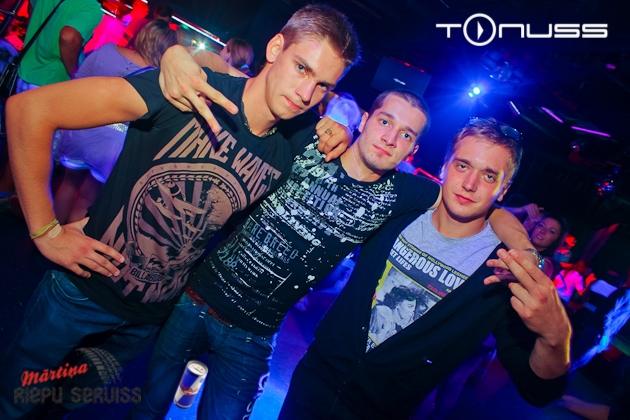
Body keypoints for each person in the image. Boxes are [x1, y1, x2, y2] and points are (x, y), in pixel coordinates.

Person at [0, 4, 360, 418]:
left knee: (61, 407)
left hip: (147, 317)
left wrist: (344, 128)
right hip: (81, 292)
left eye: (322, 85)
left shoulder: (293, 144)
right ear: (276, 47)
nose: (306, 94)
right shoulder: (190, 90)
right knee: (15, 405)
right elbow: (29, 111)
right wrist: (46, 231)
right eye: (301, 68)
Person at [132, 90, 535, 419]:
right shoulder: (309, 141)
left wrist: (526, 251)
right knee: (147, 406)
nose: (390, 138)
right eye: (385, 122)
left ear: (412, 149)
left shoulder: (404, 193)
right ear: (364, 119)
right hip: (195, 298)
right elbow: (249, 97)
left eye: (406, 135)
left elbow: (488, 208)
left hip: (253, 335)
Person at [278, 118, 572, 419]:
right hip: (313, 381)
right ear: (444, 166)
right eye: (462, 166)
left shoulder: (502, 270)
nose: (470, 184)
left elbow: (538, 390)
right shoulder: (401, 207)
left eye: (488, 176)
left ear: (504, 189)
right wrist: (339, 131)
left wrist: (556, 337)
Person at [54, 19, 177, 224]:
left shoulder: (106, 51)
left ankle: (49, 237)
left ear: (142, 35)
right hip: (112, 144)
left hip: (82, 129)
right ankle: (66, 241)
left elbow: (77, 85)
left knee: (68, 184)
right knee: (87, 198)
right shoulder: (157, 78)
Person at [0, 0, 102, 206]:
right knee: (39, 151)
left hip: (27, 73)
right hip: (52, 84)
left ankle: (8, 194)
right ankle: (21, 203)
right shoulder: (90, 7)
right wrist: (74, 72)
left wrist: (42, 36)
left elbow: (32, 7)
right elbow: (68, 36)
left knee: (23, 143)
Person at [528, 212, 569, 278]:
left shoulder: (547, 264)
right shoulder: (518, 242)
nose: (543, 231)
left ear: (557, 240)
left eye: (551, 231)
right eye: (541, 225)